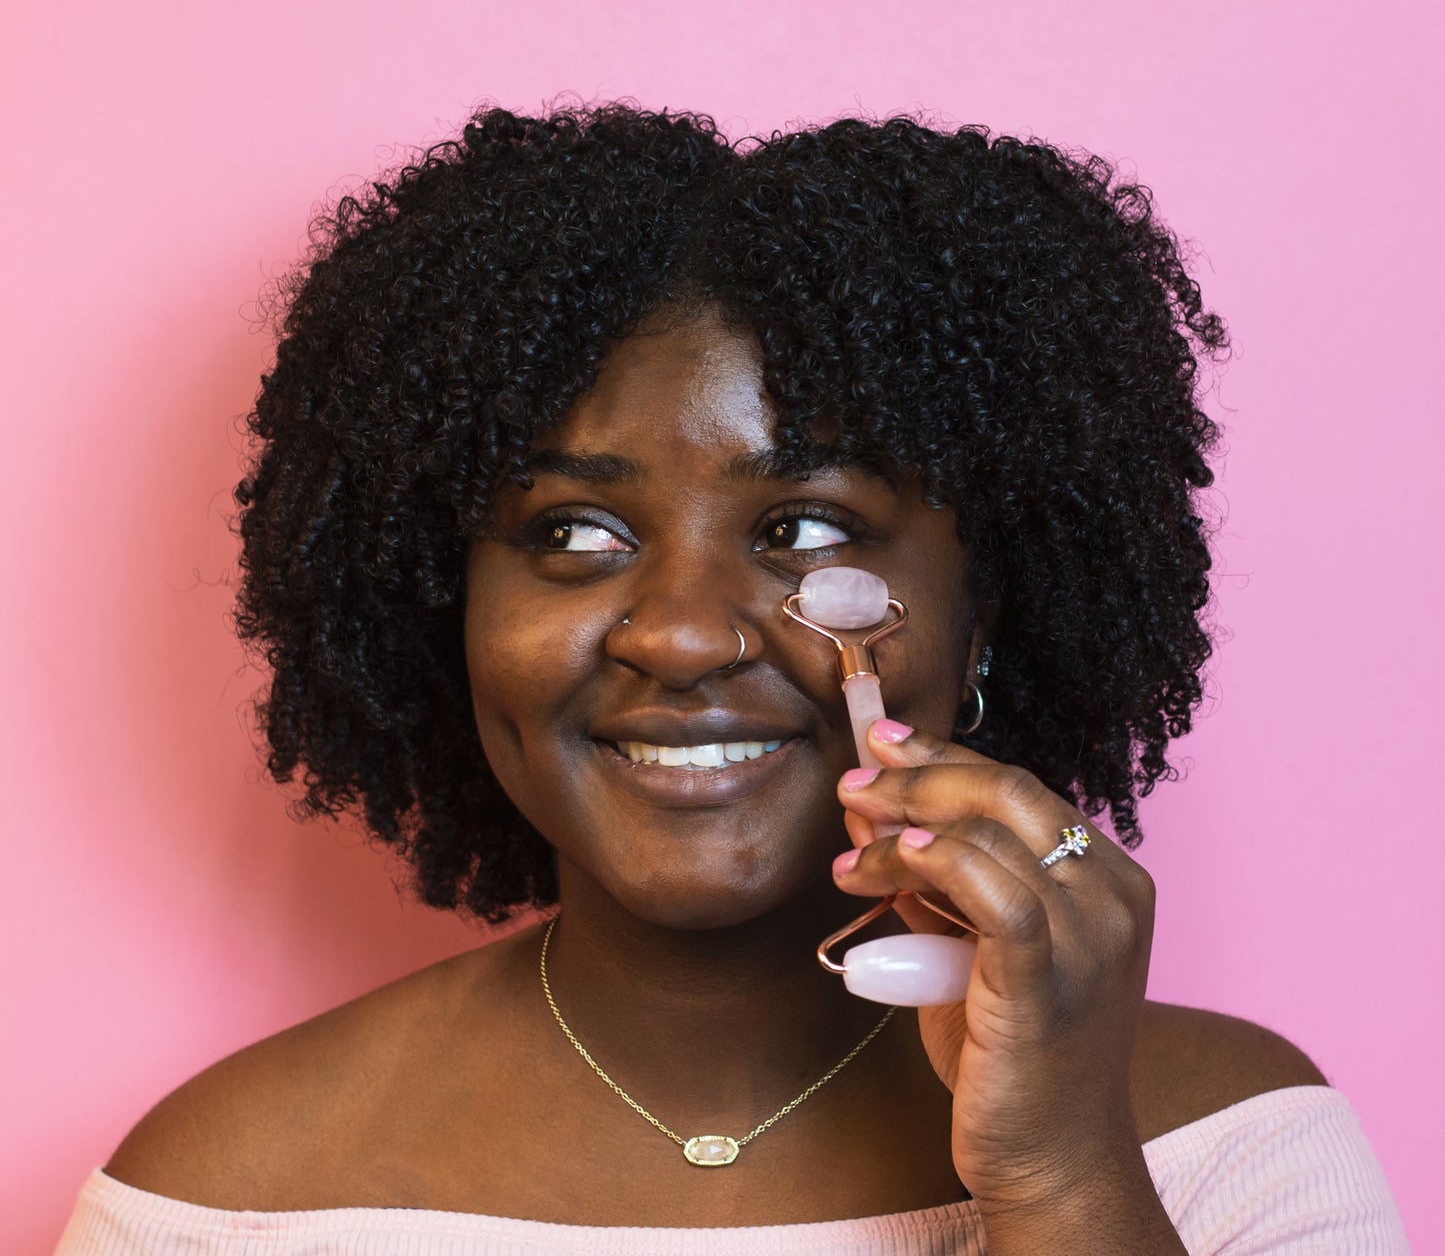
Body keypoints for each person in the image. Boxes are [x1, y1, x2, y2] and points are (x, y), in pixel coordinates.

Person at [57, 105, 1406, 1253]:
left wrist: (1062, 1175)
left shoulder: (1231, 1152)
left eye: (805, 530)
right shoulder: (222, 1198)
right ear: (442, 608)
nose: (684, 634)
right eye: (573, 533)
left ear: (980, 616)